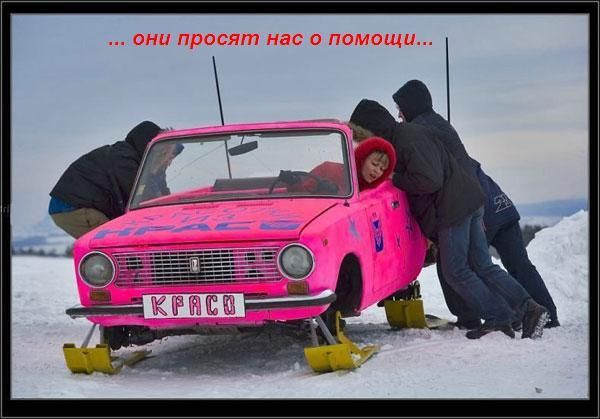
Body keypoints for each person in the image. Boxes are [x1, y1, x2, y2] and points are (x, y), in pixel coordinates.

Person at [350, 99, 550, 339]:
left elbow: (430, 179)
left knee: (456, 271)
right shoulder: (410, 134)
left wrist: (396, 178)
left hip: (454, 208)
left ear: (373, 127)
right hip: (469, 201)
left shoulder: (405, 139)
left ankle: (500, 315)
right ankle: (529, 309)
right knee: (482, 265)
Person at [392, 79, 559, 328]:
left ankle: (479, 317)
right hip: (499, 203)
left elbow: (433, 180)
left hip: (478, 208)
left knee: (456, 267)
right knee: (518, 265)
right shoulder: (442, 127)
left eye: (400, 109)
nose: (399, 115)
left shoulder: (421, 135)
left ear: (410, 106)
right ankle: (548, 315)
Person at [48, 121, 163, 239]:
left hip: (75, 204)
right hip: (72, 207)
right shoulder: (125, 161)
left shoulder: (131, 158)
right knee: (115, 242)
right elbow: (145, 199)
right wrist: (156, 169)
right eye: (161, 151)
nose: (167, 159)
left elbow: (157, 196)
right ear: (147, 146)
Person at [289, 136, 396, 194]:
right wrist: (294, 182)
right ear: (362, 160)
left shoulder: (379, 192)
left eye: (382, 169)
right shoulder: (329, 169)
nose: (378, 171)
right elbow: (300, 193)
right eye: (374, 164)